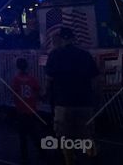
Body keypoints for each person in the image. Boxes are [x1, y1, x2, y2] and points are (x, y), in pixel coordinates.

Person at [45, 27, 99, 165]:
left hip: (63, 103)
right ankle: (91, 159)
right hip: (84, 102)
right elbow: (94, 79)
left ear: (61, 38)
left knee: (65, 137)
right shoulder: (85, 55)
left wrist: (47, 94)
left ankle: (70, 161)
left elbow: (49, 78)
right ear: (73, 38)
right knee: (87, 135)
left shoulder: (55, 55)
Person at [10, 57, 43, 164]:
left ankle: (24, 155)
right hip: (31, 109)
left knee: (22, 134)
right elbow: (37, 91)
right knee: (34, 133)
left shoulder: (16, 79)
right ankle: (41, 151)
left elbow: (14, 94)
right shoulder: (32, 79)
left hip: (21, 110)